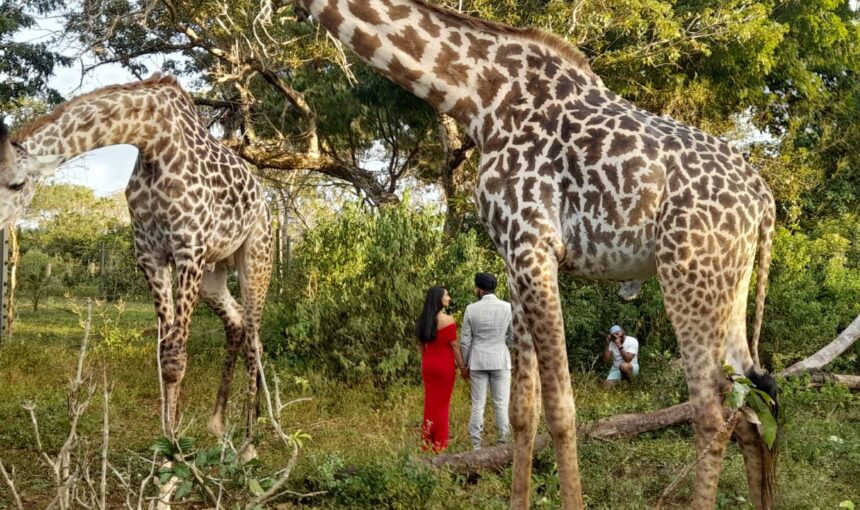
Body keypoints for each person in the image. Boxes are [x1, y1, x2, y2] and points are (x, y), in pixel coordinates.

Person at [460, 272, 513, 450]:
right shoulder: (507, 308)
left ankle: (476, 444)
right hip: (500, 359)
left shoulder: (471, 309)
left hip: (478, 360)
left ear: (480, 289)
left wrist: (465, 364)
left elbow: (465, 341)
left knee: (477, 404)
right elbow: (513, 336)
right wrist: (502, 342)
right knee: (501, 403)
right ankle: (503, 441)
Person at [415, 286, 468, 452]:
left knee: (430, 403)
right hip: (444, 364)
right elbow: (454, 345)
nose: (449, 298)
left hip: (428, 363)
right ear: (438, 298)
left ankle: (426, 441)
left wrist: (424, 362)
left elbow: (420, 346)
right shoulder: (448, 320)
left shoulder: (422, 320)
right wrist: (462, 367)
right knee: (443, 405)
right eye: (446, 295)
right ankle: (440, 443)